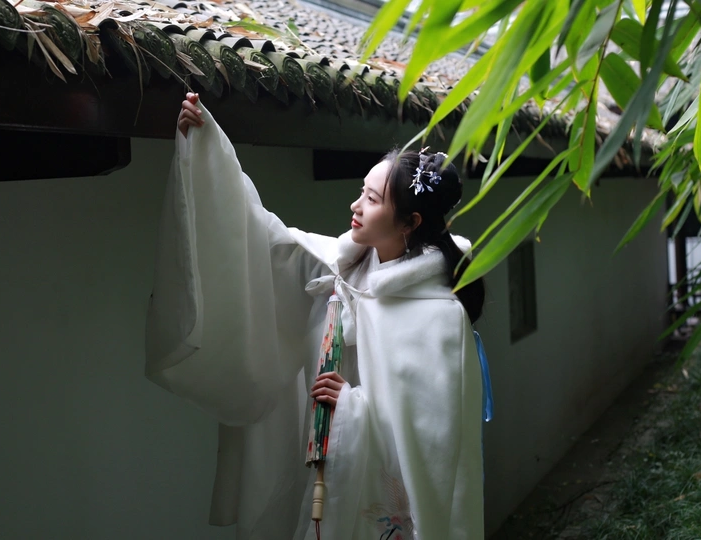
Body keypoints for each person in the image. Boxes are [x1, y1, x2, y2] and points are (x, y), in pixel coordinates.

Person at [145, 93, 486, 540]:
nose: (356, 206)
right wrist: (208, 151)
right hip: (321, 477)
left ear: (410, 222)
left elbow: (432, 454)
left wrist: (350, 407)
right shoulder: (336, 270)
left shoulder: (439, 318)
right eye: (361, 191)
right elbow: (258, 239)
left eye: (372, 199)